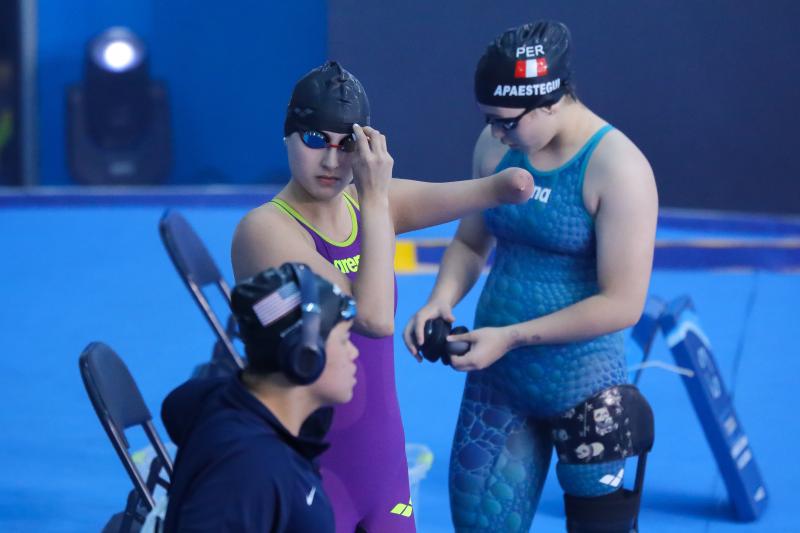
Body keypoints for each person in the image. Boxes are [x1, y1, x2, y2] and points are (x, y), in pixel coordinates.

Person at [231, 61, 533, 532]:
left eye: (346, 144)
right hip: (308, 465)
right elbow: (371, 318)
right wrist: (376, 200)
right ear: (288, 136)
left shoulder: (364, 207)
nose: (332, 162)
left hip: (381, 461)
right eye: (315, 140)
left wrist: (510, 183)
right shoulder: (265, 230)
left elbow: (486, 190)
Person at [403, 21, 658, 532]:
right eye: (489, 120)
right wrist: (440, 299)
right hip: (500, 382)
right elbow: (472, 241)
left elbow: (622, 303)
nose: (497, 134)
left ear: (551, 102)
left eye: (507, 122)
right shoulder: (494, 146)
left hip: (585, 388)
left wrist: (512, 336)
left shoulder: (619, 168)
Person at [161, 263, 358, 532]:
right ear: (305, 356)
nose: (354, 353)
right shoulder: (251, 466)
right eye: (345, 340)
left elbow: (175, 407)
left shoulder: (224, 399)